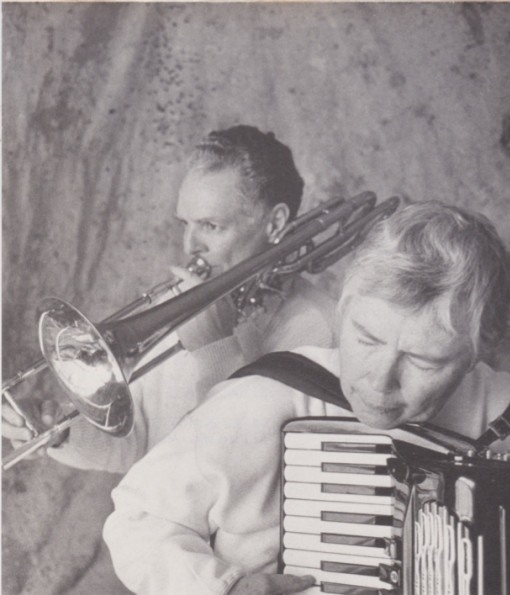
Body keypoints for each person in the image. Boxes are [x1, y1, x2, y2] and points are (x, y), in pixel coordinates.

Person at [103, 201, 510, 595]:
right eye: (367, 339)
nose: (380, 380)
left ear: (477, 354)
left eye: (423, 361)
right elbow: (139, 517)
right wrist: (223, 588)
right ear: (345, 307)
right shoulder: (268, 399)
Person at [2, 125, 336, 472]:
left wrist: (216, 350)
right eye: (185, 225)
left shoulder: (318, 331)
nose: (190, 246)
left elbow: (252, 472)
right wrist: (59, 431)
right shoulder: (180, 303)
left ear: (275, 223)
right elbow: (141, 439)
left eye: (211, 226)